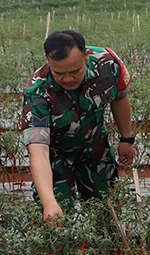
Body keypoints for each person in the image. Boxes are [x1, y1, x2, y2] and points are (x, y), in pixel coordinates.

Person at [20, 30, 135, 224]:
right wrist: (49, 202)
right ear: (48, 61)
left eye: (75, 72)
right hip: (56, 156)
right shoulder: (37, 92)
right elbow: (38, 150)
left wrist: (126, 139)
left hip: (96, 147)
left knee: (106, 213)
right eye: (59, 73)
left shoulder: (106, 64)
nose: (67, 79)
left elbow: (120, 96)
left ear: (86, 56)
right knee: (57, 219)